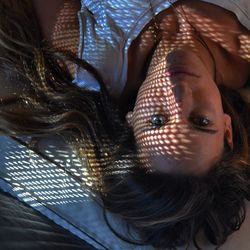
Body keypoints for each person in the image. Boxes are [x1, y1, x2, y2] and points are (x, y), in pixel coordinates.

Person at [0, 0, 250, 249]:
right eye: (201, 121)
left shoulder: (89, 56)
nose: (179, 95)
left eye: (157, 120)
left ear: (131, 120)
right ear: (227, 130)